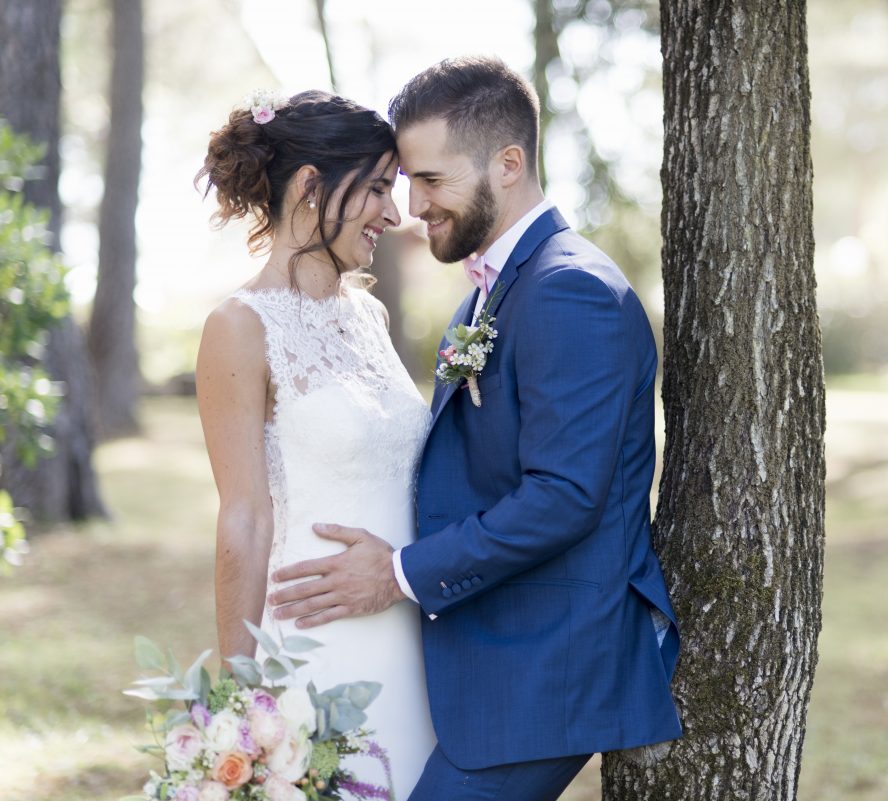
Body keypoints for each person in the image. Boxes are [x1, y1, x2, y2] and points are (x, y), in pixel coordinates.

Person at [268, 58, 682, 801]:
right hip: (489, 650)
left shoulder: (570, 290)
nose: (411, 205)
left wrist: (397, 573)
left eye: (430, 180)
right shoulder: (490, 295)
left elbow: (563, 495)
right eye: (405, 182)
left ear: (509, 163)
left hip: (547, 666)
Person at [193, 89, 435, 798]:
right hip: (316, 641)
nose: (395, 214)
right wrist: (240, 705)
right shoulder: (239, 325)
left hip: (409, 635)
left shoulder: (370, 313)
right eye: (378, 190)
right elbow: (243, 514)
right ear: (309, 186)